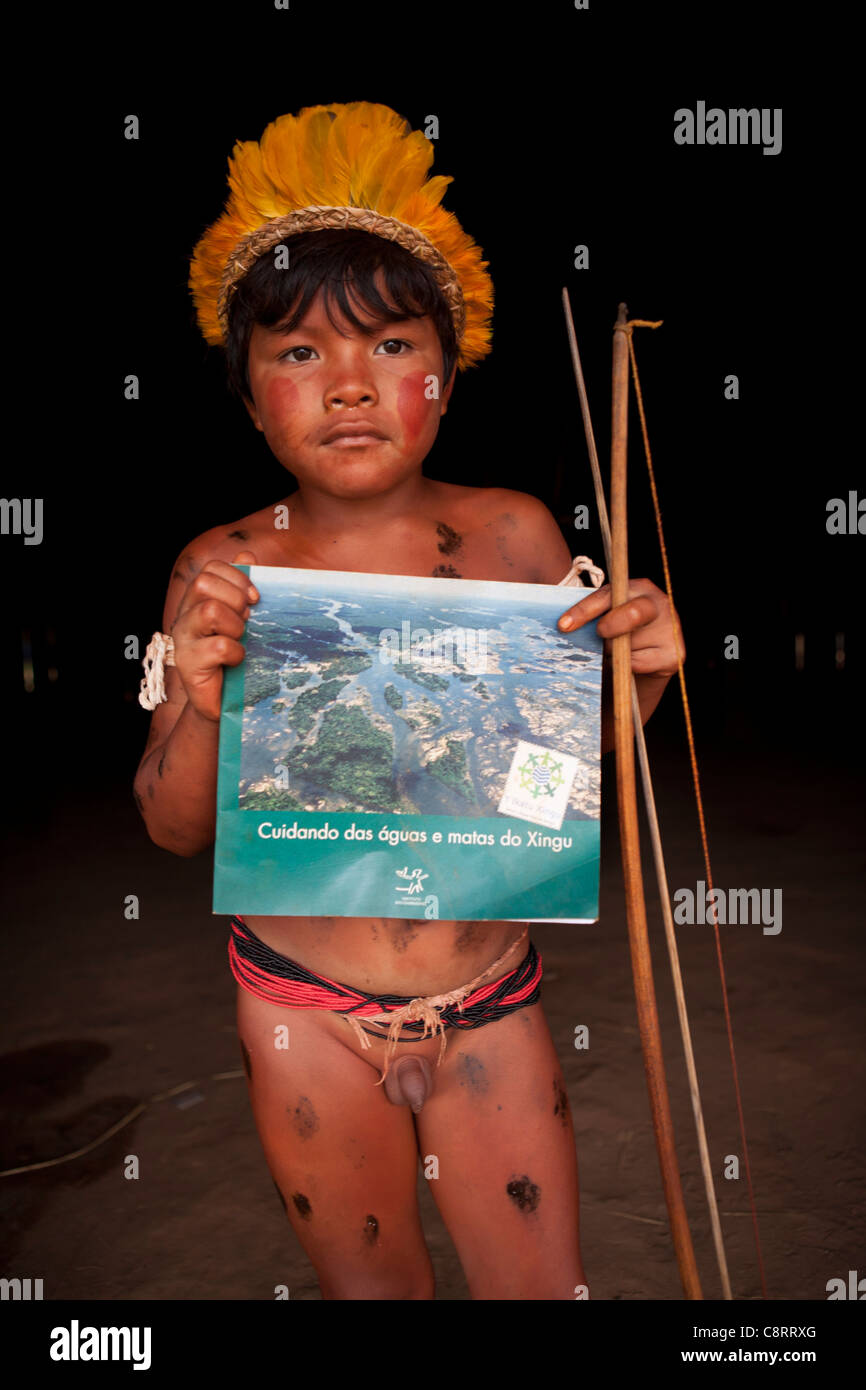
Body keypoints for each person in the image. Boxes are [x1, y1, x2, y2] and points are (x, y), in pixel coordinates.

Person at [133, 102, 683, 1300]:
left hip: (488, 1001)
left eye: (387, 345)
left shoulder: (513, 540)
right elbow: (172, 827)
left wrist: (635, 682)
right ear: (247, 394)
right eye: (297, 353)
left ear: (447, 368)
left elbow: (553, 782)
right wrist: (206, 698)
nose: (346, 386)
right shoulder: (222, 570)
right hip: (300, 1015)